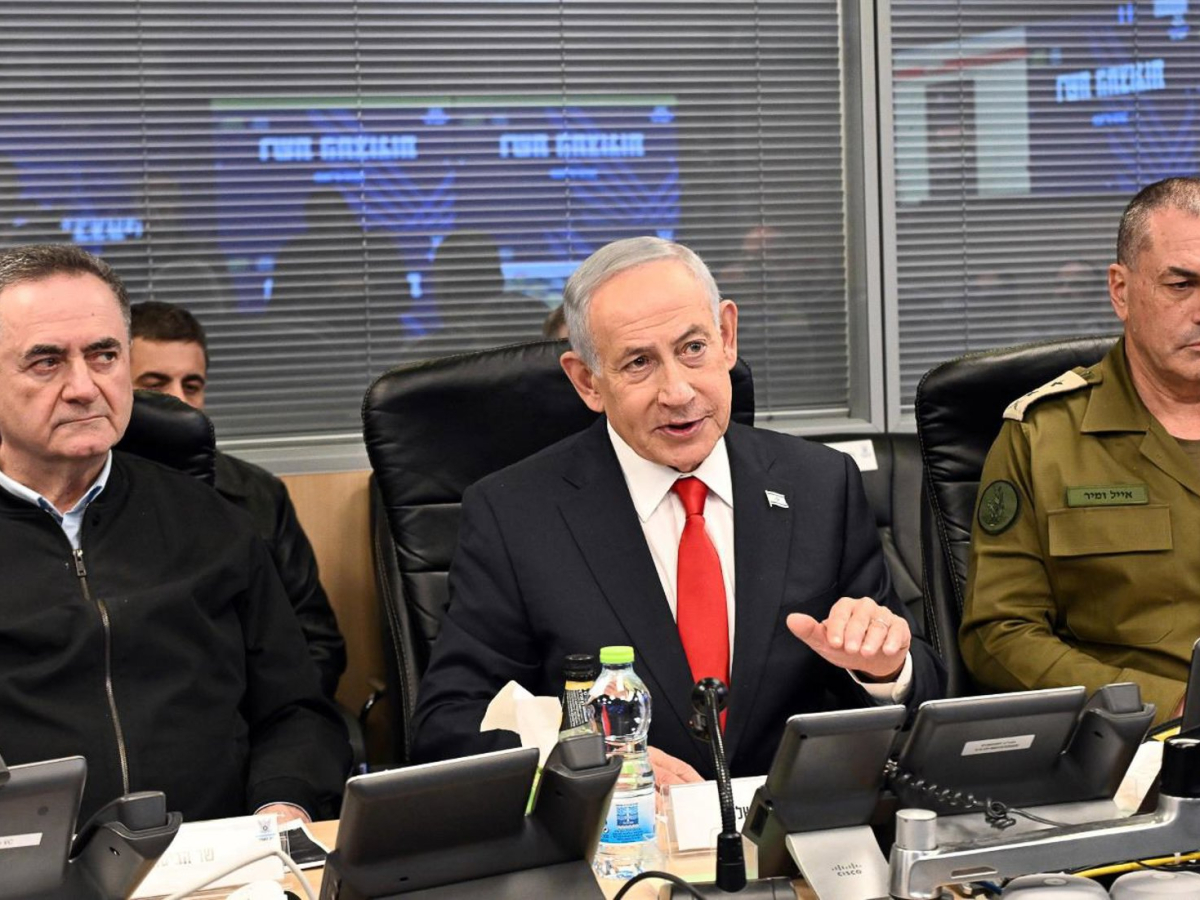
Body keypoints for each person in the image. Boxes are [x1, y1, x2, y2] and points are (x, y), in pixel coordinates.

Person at [410, 236, 944, 784]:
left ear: (727, 337)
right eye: (639, 362)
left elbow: (924, 688)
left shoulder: (820, 484)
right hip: (622, 828)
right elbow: (448, 724)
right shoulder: (515, 515)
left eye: (693, 348)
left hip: (787, 823)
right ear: (587, 381)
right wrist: (587, 759)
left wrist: (885, 670)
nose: (678, 391)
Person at [0, 244, 350, 823]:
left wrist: (283, 801)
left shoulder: (215, 520)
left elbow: (296, 710)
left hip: (220, 851)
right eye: (47, 362)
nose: (84, 386)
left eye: (104, 355)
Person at [961, 176, 1200, 724]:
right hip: (1136, 741)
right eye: (1181, 284)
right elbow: (998, 635)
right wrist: (1171, 705)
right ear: (1121, 291)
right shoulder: (1044, 435)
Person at [129, 300, 346, 699]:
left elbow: (317, 642)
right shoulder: (90, 497)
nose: (179, 400)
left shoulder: (259, 494)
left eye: (191, 385)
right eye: (155, 384)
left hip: (256, 712)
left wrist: (285, 719)